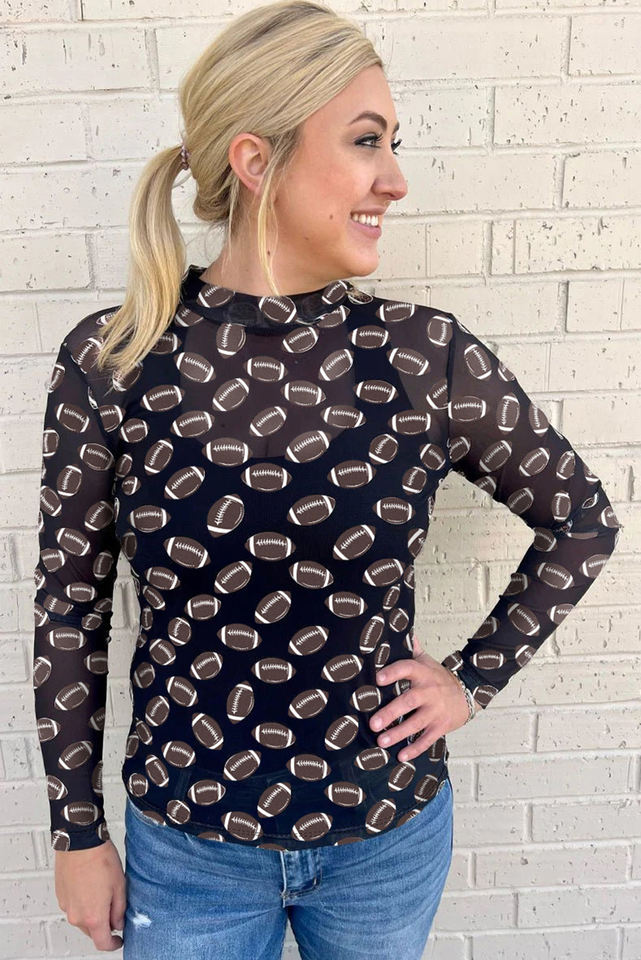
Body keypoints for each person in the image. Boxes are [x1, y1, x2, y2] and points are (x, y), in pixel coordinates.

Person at [31, 1, 623, 957]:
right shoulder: (117, 360)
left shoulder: (423, 357)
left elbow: (582, 519)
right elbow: (69, 605)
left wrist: (470, 681)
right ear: (255, 160)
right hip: (187, 849)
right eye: (364, 141)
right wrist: (76, 831)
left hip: (385, 837)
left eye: (391, 143)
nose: (394, 179)